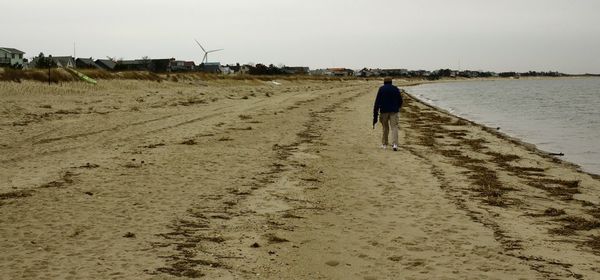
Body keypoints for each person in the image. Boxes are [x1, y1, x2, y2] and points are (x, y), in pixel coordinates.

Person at [373, 77, 403, 151]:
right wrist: (398, 107)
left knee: (385, 128)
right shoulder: (395, 88)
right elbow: (400, 100)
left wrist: (375, 113)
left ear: (384, 82)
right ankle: (395, 144)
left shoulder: (381, 89)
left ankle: (384, 144)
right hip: (394, 111)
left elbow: (377, 102)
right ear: (391, 82)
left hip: (384, 111)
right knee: (394, 127)